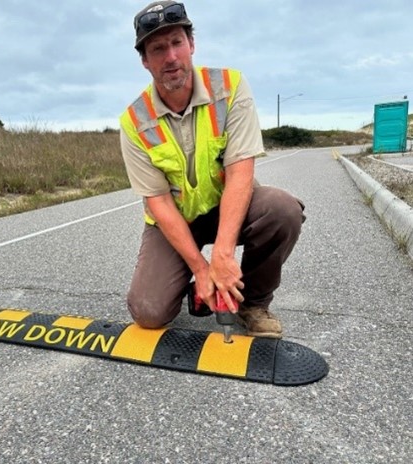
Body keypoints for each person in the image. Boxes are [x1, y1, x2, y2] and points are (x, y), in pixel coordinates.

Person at [119, 1, 305, 338]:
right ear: (145, 61)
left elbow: (240, 171)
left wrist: (222, 255)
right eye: (158, 49)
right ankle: (199, 286)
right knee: (148, 312)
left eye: (177, 42)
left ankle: (252, 303)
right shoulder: (134, 121)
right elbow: (158, 202)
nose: (171, 56)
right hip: (177, 219)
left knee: (282, 211)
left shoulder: (230, 87)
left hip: (227, 206)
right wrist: (201, 269)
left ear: (191, 44)